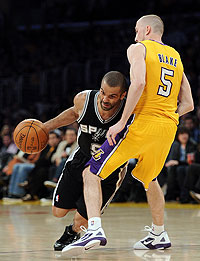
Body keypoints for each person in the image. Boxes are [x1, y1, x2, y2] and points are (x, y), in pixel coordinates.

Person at [62, 14, 194, 256]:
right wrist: (165, 115)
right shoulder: (176, 57)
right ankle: (158, 233)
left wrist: (122, 122)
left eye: (136, 30)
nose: (134, 35)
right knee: (149, 179)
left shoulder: (138, 48)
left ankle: (93, 229)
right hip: (167, 127)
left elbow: (139, 83)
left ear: (146, 29)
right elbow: (188, 104)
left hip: (141, 125)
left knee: (90, 172)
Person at [44, 71, 128, 251]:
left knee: (82, 219)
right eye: (103, 92)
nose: (105, 99)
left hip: (110, 168)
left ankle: (74, 230)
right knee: (58, 212)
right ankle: (83, 203)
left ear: (123, 95)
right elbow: (74, 113)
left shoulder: (129, 112)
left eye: (112, 96)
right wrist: (46, 127)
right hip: (81, 157)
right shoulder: (84, 99)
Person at [165, 126, 196, 203]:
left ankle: (184, 196)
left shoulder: (192, 144)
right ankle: (171, 195)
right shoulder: (175, 144)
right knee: (171, 169)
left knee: (181, 170)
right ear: (178, 136)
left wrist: (178, 162)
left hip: (188, 165)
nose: (184, 136)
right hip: (178, 165)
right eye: (181, 134)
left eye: (185, 134)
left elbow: (192, 160)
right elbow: (172, 158)